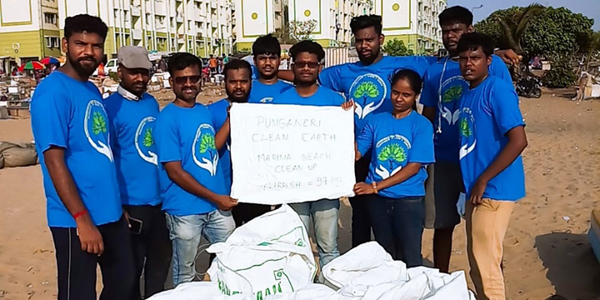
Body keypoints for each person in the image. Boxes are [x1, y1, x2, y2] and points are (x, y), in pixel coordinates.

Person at [30, 14, 134, 300]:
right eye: (81, 43)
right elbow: (53, 160)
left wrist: (117, 204)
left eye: (96, 45)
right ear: (65, 44)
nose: (89, 52)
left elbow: (99, 151)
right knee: (78, 293)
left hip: (110, 213)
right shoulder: (52, 92)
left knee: (124, 283)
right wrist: (81, 219)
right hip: (74, 219)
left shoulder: (90, 89)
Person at [420, 6, 512, 274]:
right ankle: (442, 278)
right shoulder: (435, 71)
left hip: (481, 161)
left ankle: (493, 277)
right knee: (443, 224)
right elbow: (427, 114)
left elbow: (508, 117)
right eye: (445, 31)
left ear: (470, 30)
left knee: (485, 230)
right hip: (443, 159)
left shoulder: (495, 68)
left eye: (456, 30)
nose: (450, 36)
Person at [154, 52, 237, 286]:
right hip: (184, 210)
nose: (188, 84)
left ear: (201, 79)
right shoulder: (167, 119)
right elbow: (174, 171)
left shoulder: (203, 111)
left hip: (217, 207)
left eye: (193, 78)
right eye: (182, 79)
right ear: (172, 82)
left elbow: (210, 148)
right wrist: (216, 197)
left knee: (230, 263)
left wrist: (230, 121)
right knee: (186, 273)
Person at [457, 33, 528, 300]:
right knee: (478, 262)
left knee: (487, 268)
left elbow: (519, 140)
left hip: (495, 190)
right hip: (475, 189)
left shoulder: (496, 89)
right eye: (463, 58)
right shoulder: (468, 92)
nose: (468, 64)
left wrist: (484, 178)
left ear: (489, 60)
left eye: (474, 58)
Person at [271, 40, 348, 268]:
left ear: (319, 67)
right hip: (293, 185)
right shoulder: (279, 103)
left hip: (325, 185)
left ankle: (330, 289)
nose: (306, 68)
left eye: (311, 64)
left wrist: (346, 115)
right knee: (296, 247)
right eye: (301, 64)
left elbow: (346, 141)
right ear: (293, 66)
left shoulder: (336, 102)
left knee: (328, 246)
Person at [104, 46, 171, 299]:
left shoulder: (152, 103)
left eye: (145, 72)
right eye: (134, 73)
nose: (141, 79)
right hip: (130, 206)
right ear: (120, 71)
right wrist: (117, 206)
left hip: (159, 203)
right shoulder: (109, 108)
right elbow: (105, 161)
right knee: (126, 277)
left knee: (157, 272)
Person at [354, 69, 434, 267]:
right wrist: (343, 118)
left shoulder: (421, 125)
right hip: (379, 202)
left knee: (410, 255)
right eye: (395, 92)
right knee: (386, 257)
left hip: (409, 201)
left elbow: (414, 167)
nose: (399, 99)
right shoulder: (376, 120)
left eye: (406, 95)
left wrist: (375, 186)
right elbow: (356, 153)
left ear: (416, 96)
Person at [208, 59, 269, 226]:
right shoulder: (211, 112)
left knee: (256, 243)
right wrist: (230, 119)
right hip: (225, 192)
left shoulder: (262, 111)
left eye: (243, 81)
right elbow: (211, 149)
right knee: (226, 246)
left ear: (251, 82)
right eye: (233, 82)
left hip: (256, 191)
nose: (239, 86)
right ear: (225, 83)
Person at [248, 34, 293, 103]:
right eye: (262, 58)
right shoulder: (246, 90)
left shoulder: (290, 90)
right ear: (254, 60)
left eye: (272, 58)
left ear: (279, 60)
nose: (268, 63)